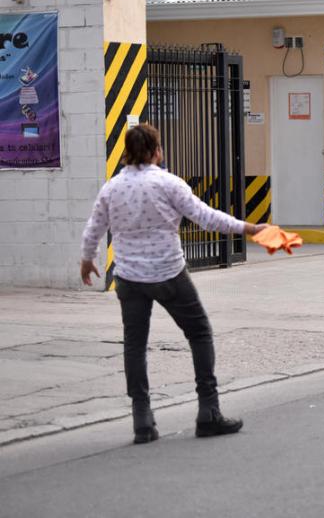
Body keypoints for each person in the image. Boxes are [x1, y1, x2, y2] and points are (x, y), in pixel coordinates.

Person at [80, 124, 268, 445]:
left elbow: (93, 229)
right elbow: (206, 217)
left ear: (127, 150)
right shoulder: (169, 184)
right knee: (199, 333)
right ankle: (209, 411)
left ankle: (142, 419)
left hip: (129, 279)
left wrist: (87, 260)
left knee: (135, 345)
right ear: (156, 151)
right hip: (169, 274)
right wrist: (250, 228)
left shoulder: (111, 188)